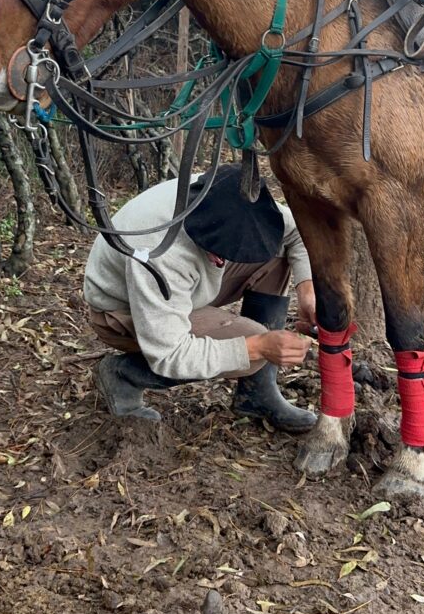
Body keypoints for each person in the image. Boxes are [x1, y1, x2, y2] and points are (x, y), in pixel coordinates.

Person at [84, 165, 317, 432]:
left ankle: (257, 394)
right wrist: (258, 347)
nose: (223, 261)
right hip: (122, 309)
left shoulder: (230, 199)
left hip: (181, 285)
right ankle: (123, 374)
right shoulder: (160, 252)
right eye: (220, 255)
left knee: (275, 254)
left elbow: (297, 233)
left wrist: (307, 290)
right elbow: (170, 354)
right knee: (251, 348)